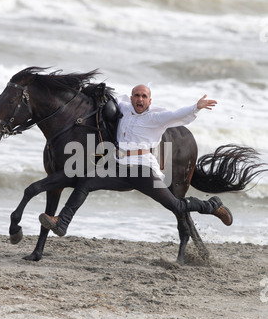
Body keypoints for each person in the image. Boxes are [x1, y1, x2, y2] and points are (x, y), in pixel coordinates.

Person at [39, 84, 233, 236]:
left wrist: (195, 107)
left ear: (149, 100)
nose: (140, 99)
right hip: (120, 168)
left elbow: (176, 115)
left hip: (142, 170)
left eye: (144, 96)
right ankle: (62, 222)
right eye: (137, 96)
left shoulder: (156, 117)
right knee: (86, 182)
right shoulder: (124, 109)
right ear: (131, 98)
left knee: (176, 205)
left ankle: (212, 205)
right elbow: (106, 99)